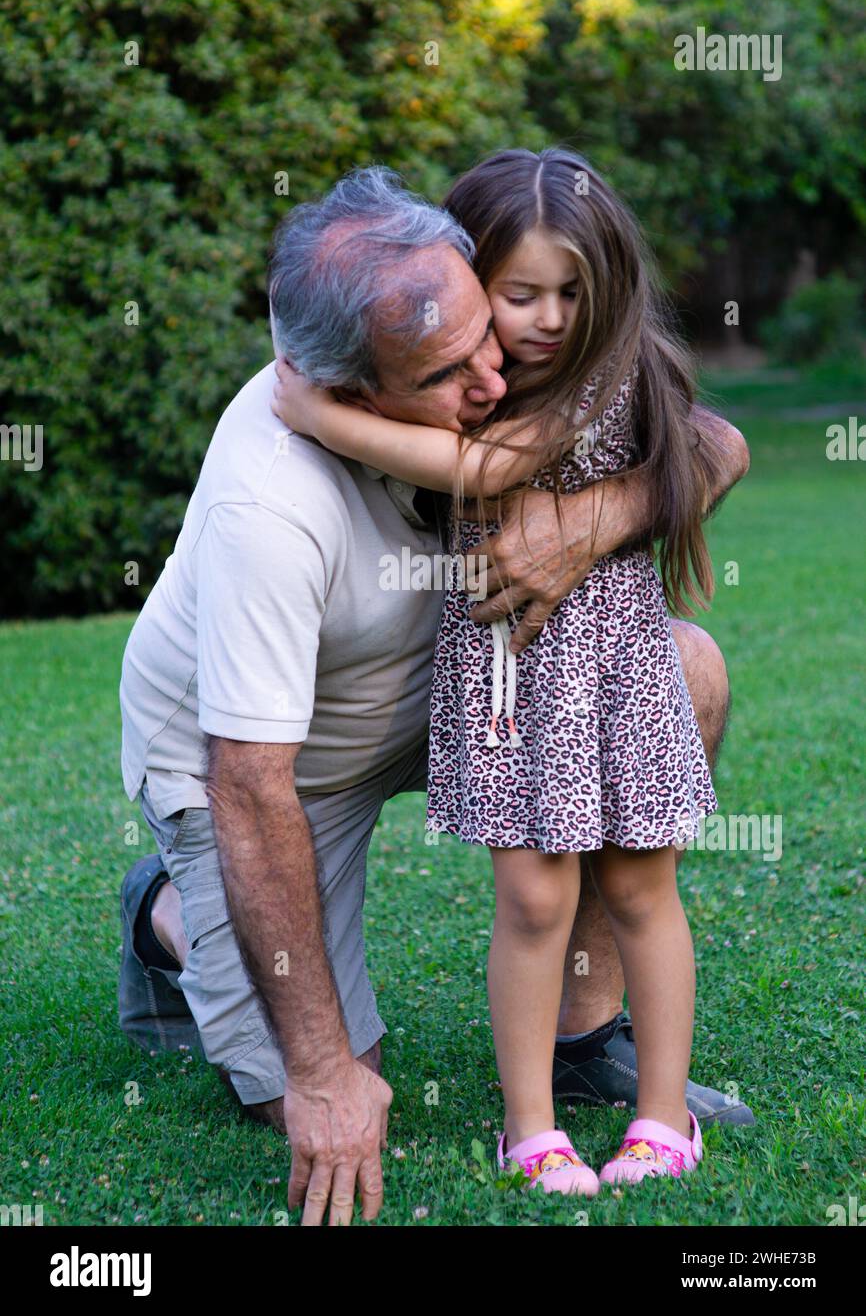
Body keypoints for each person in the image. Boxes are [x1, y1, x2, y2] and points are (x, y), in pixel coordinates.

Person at [118, 163, 749, 1226]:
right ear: (351, 394)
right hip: (281, 766)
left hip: (464, 686)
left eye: (483, 336)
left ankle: (585, 1033)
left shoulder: (527, 354)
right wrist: (321, 1071)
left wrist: (593, 519)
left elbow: (714, 443)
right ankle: (168, 914)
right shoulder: (266, 504)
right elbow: (248, 784)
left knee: (681, 666)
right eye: (444, 375)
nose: (494, 380)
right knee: (316, 1086)